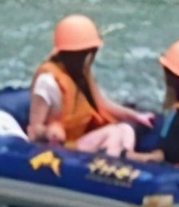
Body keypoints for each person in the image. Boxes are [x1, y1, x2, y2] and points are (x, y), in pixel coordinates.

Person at [27, 14, 155, 156]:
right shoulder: (47, 82)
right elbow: (34, 129)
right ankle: (116, 166)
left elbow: (101, 104)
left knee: (124, 129)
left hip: (79, 139)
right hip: (64, 149)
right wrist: (48, 131)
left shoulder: (81, 72)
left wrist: (136, 116)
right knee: (113, 133)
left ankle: (127, 161)